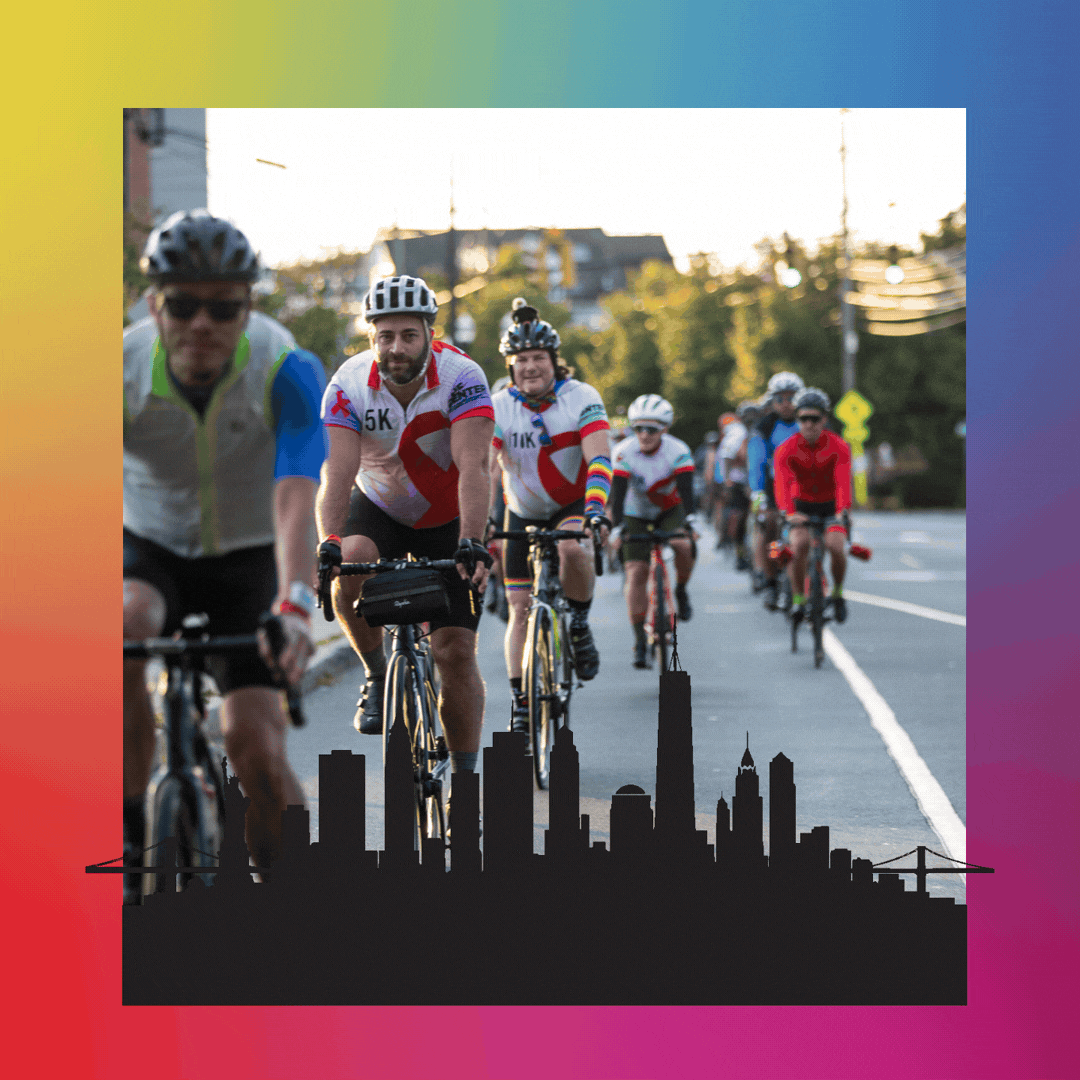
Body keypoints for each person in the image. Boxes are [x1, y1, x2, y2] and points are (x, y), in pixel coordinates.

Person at [123, 210, 327, 901]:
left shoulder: (287, 367)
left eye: (222, 307)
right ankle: (128, 815)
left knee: (258, 751)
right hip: (149, 545)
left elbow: (298, 496)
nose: (201, 323)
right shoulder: (117, 371)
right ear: (156, 305)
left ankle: (294, 906)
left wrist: (297, 605)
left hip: (248, 557)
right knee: (127, 618)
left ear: (248, 309)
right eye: (182, 305)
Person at [315, 275, 494, 781]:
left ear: (429, 335)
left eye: (408, 336)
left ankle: (463, 775)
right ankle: (375, 673)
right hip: (380, 506)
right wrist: (326, 543)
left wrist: (473, 542)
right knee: (347, 556)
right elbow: (337, 474)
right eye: (385, 335)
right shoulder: (348, 384)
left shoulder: (463, 377)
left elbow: (474, 466)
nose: (396, 348)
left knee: (453, 651)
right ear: (371, 336)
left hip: (450, 514)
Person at [489, 299, 611, 730]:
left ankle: (578, 623)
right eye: (520, 360)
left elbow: (599, 461)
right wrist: (482, 521)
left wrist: (596, 509)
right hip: (521, 512)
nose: (530, 367)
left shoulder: (582, 398)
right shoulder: (499, 404)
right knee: (519, 608)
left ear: (554, 362)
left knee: (576, 548)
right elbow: (486, 466)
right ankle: (522, 702)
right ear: (510, 366)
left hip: (571, 505)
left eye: (538, 358)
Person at [609, 394, 698, 668]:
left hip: (669, 510)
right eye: (639, 429)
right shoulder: (623, 451)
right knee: (636, 572)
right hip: (634, 513)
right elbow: (618, 494)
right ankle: (639, 639)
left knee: (683, 545)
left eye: (652, 429)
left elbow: (686, 492)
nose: (645, 435)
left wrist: (690, 522)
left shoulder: (678, 450)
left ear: (665, 430)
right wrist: (616, 528)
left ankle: (681, 588)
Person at [773, 387, 852, 625]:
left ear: (824, 419)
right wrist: (788, 512)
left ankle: (837, 594)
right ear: (797, 419)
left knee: (836, 547)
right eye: (803, 418)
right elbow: (783, 484)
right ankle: (798, 598)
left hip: (831, 506)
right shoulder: (786, 449)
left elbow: (843, 482)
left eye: (814, 419)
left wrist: (842, 511)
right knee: (798, 546)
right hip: (801, 506)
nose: (809, 424)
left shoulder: (839, 446)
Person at [748, 371, 804, 610]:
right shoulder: (765, 426)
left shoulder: (809, 420)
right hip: (773, 486)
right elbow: (757, 462)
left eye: (791, 398)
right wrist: (758, 493)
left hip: (805, 484)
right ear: (772, 401)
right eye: (780, 399)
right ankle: (770, 582)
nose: (786, 404)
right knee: (769, 525)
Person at [718, 401, 760, 570]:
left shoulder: (761, 432)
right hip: (740, 482)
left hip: (758, 483)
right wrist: (728, 481)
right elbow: (727, 457)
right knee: (740, 517)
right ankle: (740, 552)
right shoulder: (737, 434)